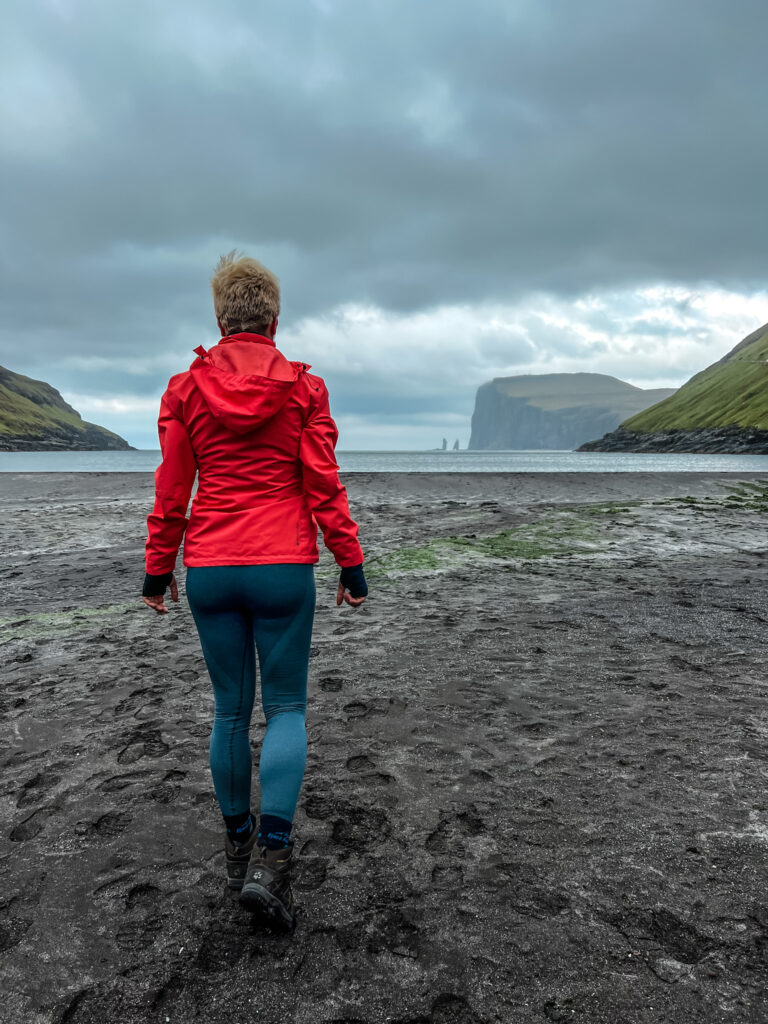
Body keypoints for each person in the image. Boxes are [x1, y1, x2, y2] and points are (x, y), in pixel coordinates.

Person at [141, 252, 368, 932]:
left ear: (219, 318)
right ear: (275, 318)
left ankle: (237, 844)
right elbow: (323, 484)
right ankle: (271, 859)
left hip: (211, 565)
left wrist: (157, 572)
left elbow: (171, 491)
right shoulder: (304, 388)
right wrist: (350, 566)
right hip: (282, 567)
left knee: (230, 713)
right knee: (288, 706)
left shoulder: (185, 389)